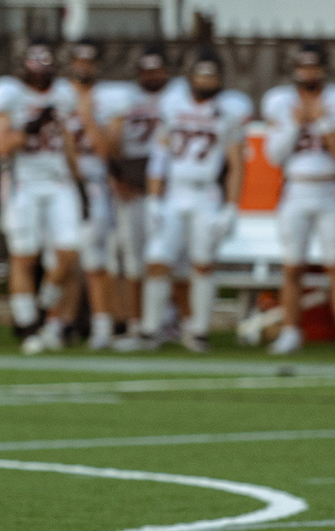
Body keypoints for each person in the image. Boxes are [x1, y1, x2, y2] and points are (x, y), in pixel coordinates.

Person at [139, 47, 252, 352]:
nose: (206, 81)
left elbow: (236, 165)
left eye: (211, 75)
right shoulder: (173, 104)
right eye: (201, 74)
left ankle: (198, 331)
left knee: (203, 263)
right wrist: (153, 197)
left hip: (206, 192)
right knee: (158, 259)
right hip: (175, 191)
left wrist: (231, 207)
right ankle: (151, 328)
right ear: (190, 77)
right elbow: (160, 156)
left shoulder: (229, 110)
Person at [0, 39, 83, 354]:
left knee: (68, 253)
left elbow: (67, 142)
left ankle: (41, 308)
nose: (41, 77)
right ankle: (27, 326)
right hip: (22, 182)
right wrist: (31, 128)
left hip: (58, 182)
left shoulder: (64, 94)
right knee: (24, 257)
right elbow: (0, 145)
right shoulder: (8, 94)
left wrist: (80, 180)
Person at [98, 44, 176, 351]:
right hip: (131, 183)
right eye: (147, 70)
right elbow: (111, 145)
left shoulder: (180, 97)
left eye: (157, 70)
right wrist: (116, 177)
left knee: (170, 260)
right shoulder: (122, 98)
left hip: (171, 186)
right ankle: (135, 322)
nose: (152, 76)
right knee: (133, 261)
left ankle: (170, 322)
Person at [261, 42, 335, 355]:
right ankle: (291, 331)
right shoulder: (281, 102)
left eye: (314, 67)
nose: (309, 73)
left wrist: (321, 122)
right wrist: (295, 124)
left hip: (330, 188)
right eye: (304, 67)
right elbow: (273, 155)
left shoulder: (332, 100)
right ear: (295, 70)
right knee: (292, 266)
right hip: (296, 188)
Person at [60, 40, 117, 350]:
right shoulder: (55, 95)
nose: (83, 67)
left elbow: (107, 150)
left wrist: (88, 116)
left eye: (89, 61)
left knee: (96, 258)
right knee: (62, 258)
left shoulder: (107, 99)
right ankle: (57, 324)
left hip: (93, 181)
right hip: (61, 182)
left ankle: (102, 326)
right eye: (78, 61)